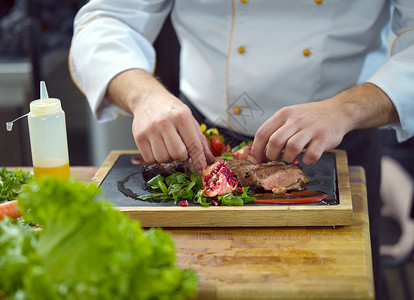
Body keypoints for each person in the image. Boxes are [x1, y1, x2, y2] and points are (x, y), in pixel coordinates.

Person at [69, 1, 414, 298]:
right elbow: (109, 18)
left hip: (340, 137)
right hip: (198, 140)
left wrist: (348, 108)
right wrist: (144, 96)